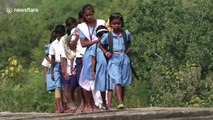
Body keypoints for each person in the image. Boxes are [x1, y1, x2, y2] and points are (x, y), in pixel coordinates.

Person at [100, 13, 132, 110]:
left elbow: (129, 42)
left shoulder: (126, 33)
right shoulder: (107, 36)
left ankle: (121, 102)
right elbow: (101, 44)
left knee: (123, 81)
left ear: (121, 23)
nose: (117, 25)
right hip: (113, 58)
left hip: (124, 57)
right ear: (111, 24)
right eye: (114, 23)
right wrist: (106, 52)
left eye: (118, 23)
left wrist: (129, 48)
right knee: (117, 79)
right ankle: (120, 102)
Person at [77, 4, 105, 112]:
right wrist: (96, 40)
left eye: (91, 14)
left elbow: (106, 36)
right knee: (86, 81)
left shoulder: (101, 23)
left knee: (101, 79)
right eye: (87, 15)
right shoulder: (82, 27)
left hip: (101, 52)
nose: (89, 17)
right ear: (84, 16)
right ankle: (89, 105)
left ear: (93, 13)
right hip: (89, 54)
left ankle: (102, 104)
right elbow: (83, 43)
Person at [49, 24, 66, 113]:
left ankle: (65, 106)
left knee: (65, 86)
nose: (59, 36)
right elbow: (52, 58)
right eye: (58, 35)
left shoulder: (66, 41)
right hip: (57, 65)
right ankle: (59, 106)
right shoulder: (53, 44)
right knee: (58, 86)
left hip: (66, 64)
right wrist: (52, 71)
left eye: (61, 34)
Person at [93, 25, 109, 110]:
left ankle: (109, 102)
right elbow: (93, 58)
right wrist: (93, 70)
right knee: (102, 86)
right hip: (101, 68)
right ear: (98, 37)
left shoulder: (110, 44)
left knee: (110, 85)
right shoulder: (95, 45)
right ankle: (104, 102)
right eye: (101, 36)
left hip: (109, 67)